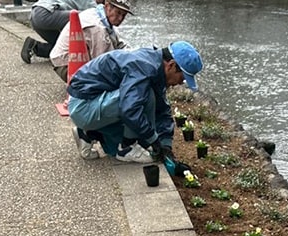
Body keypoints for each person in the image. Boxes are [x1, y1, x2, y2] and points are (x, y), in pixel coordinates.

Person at [67, 40, 202, 164]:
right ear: (171, 65)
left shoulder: (154, 64)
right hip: (83, 106)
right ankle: (127, 147)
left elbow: (162, 110)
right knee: (145, 96)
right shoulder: (144, 68)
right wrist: (153, 140)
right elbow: (130, 110)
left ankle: (88, 134)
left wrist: (165, 145)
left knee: (120, 144)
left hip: (91, 101)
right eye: (182, 77)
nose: (180, 83)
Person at [48, 0, 134, 83]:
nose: (120, 18)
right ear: (107, 6)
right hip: (66, 64)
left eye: (124, 15)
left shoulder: (100, 15)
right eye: (118, 13)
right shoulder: (97, 28)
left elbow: (120, 45)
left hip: (67, 59)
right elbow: (103, 63)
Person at [20, 0, 110, 65]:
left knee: (61, 48)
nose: (100, 6)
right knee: (83, 17)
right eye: (102, 2)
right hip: (45, 14)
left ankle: (34, 47)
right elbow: (97, 20)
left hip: (35, 14)